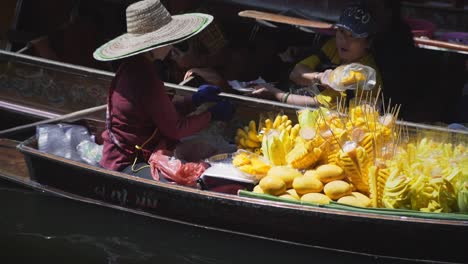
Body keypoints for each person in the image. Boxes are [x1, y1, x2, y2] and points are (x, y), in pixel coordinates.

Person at [93, 0, 234, 180]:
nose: (171, 46)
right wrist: (211, 115)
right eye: (169, 41)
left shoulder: (134, 66)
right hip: (127, 163)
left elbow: (162, 114)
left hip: (133, 154)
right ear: (156, 44)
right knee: (192, 180)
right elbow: (175, 128)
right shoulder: (145, 78)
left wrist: (194, 101)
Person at [252, 4, 382, 108]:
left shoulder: (364, 74)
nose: (344, 40)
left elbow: (316, 105)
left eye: (353, 36)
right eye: (342, 32)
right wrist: (320, 77)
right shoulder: (333, 47)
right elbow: (296, 73)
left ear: (368, 42)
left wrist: (276, 94)